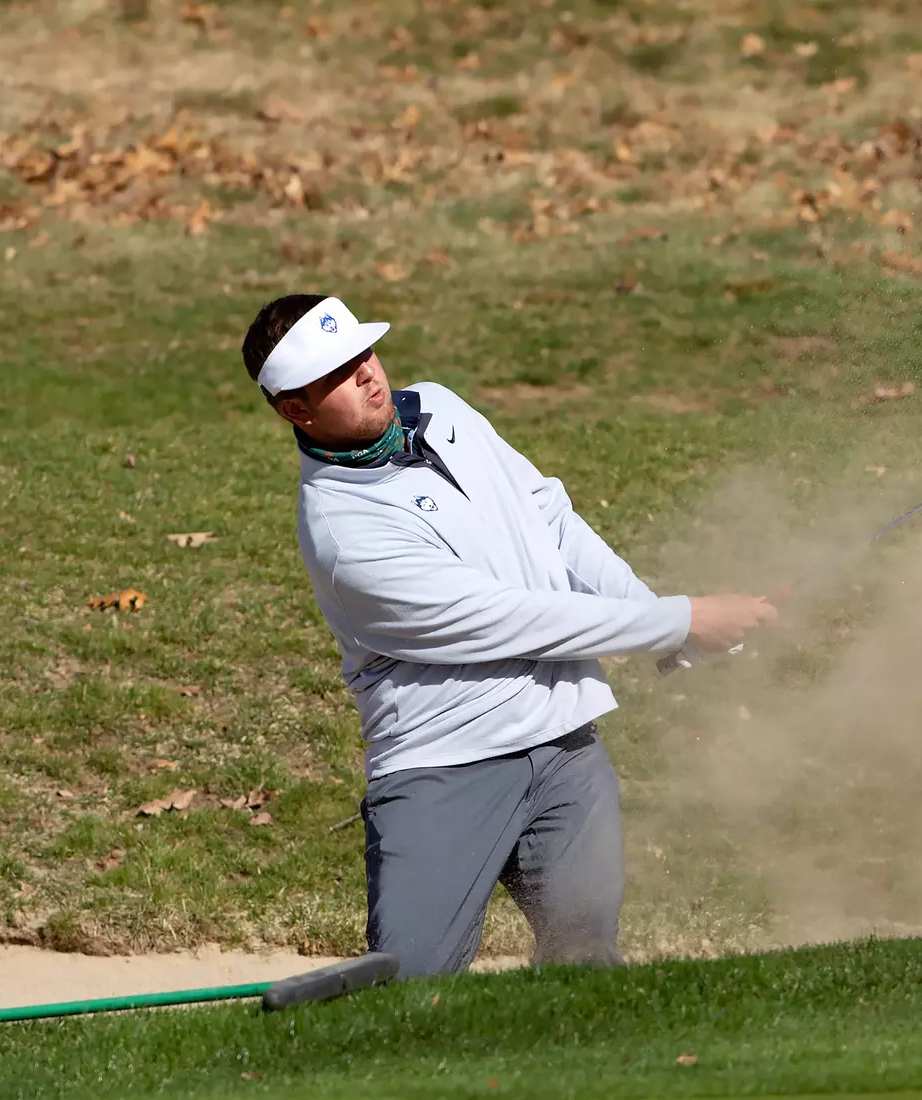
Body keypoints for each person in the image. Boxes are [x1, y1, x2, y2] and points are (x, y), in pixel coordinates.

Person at [240, 293, 776, 977]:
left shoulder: (440, 406)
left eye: (364, 353)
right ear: (296, 409)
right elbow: (518, 620)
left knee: (586, 965)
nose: (369, 374)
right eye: (340, 373)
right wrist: (679, 618)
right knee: (411, 984)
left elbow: (549, 517)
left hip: (564, 752)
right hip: (444, 769)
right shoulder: (344, 535)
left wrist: (669, 626)